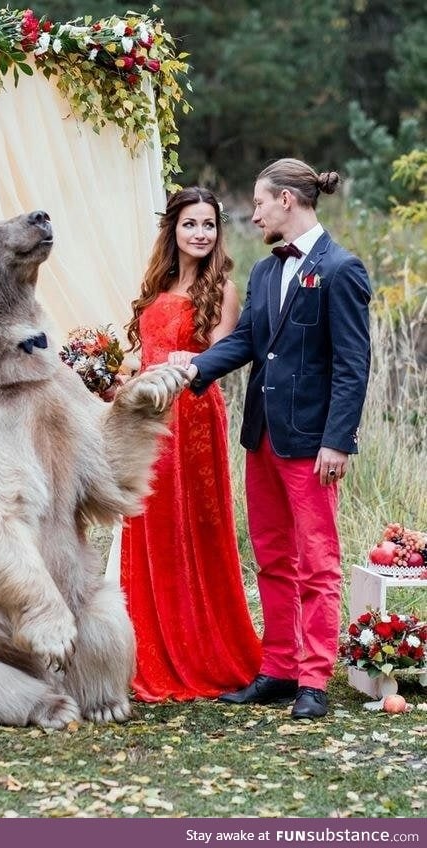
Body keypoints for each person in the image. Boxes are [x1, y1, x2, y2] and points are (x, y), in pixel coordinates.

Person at [169, 159, 371, 719]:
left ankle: (314, 680)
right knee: (273, 558)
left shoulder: (341, 269)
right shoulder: (263, 272)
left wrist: (338, 440)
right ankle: (279, 670)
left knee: (318, 562)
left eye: (258, 203)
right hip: (261, 436)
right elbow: (252, 343)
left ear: (286, 199)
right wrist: (195, 369)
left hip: (313, 444)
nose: (252, 213)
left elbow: (353, 366)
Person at [120, 186, 262, 702]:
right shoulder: (156, 284)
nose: (200, 234)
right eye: (191, 224)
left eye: (208, 225)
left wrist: (180, 365)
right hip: (147, 412)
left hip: (193, 413)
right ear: (173, 230)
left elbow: (223, 352)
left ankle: (201, 648)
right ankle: (145, 644)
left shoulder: (221, 287)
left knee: (192, 526)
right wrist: (108, 369)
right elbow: (143, 353)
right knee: (148, 519)